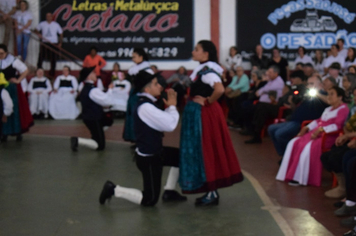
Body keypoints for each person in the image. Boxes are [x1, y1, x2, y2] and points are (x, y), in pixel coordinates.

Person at [99, 71, 186, 207]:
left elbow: (163, 120)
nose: (160, 86)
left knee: (182, 157)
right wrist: (172, 106)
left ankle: (169, 191)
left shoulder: (148, 103)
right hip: (149, 158)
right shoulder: (145, 107)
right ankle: (113, 189)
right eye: (156, 84)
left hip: (156, 152)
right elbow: (170, 125)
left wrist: (170, 107)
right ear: (147, 89)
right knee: (150, 200)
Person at [179, 40, 243, 206]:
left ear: (205, 54)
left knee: (205, 148)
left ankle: (212, 192)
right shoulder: (205, 70)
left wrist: (207, 102)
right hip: (202, 113)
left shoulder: (208, 71)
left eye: (196, 49)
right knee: (204, 149)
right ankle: (210, 190)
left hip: (204, 115)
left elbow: (219, 89)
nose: (193, 52)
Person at [276, 86, 349, 187]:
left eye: (332, 94)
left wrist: (321, 130)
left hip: (328, 136)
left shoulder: (343, 109)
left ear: (340, 97)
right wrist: (306, 128)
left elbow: (338, 125)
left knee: (307, 148)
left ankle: (302, 178)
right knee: (294, 142)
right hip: (317, 133)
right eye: (328, 94)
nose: (329, 97)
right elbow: (319, 120)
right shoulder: (328, 109)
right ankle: (289, 174)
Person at [268, 75, 328, 158]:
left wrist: (316, 93)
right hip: (294, 119)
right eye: (307, 84)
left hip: (303, 123)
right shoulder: (307, 96)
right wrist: (292, 103)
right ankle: (283, 154)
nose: (308, 86)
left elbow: (328, 101)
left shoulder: (323, 95)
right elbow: (296, 109)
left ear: (320, 85)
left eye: (311, 84)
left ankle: (290, 155)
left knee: (279, 134)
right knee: (271, 128)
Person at [244, 69, 300, 144]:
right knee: (255, 106)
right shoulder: (289, 87)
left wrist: (289, 103)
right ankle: (253, 131)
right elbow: (264, 89)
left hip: (283, 109)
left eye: (270, 72)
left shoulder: (281, 82)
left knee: (261, 107)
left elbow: (265, 89)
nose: (268, 74)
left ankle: (256, 133)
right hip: (277, 104)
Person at [321, 88, 356, 198]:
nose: (354, 98)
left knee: (348, 160)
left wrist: (350, 136)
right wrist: (346, 136)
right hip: (351, 138)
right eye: (354, 96)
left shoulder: (343, 108)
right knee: (327, 155)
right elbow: (346, 126)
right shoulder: (353, 108)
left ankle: (350, 195)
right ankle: (343, 187)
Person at [70, 67, 114, 151]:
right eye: (93, 73)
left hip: (89, 117)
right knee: (100, 145)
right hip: (94, 118)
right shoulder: (93, 90)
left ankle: (97, 133)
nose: (96, 74)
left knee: (107, 122)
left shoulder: (86, 89)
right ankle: (77, 140)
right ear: (88, 77)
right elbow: (107, 101)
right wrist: (110, 90)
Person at [0, 44, 32, 142]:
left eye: (2, 53)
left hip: (11, 87)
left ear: (6, 52)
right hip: (1, 87)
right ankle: (4, 132)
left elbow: (26, 70)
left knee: (14, 108)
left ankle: (17, 132)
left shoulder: (13, 60)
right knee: (2, 108)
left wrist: (18, 80)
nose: (0, 55)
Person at [123, 48, 153, 143]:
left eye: (134, 57)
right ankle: (133, 138)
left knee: (140, 116)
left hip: (141, 96)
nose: (132, 59)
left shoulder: (148, 70)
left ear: (141, 57)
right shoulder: (133, 69)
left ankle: (140, 138)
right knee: (132, 115)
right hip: (133, 94)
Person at [35, 12, 63, 77]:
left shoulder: (56, 24)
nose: (48, 17)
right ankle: (39, 69)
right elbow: (36, 29)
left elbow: (61, 33)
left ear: (52, 17)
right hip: (45, 42)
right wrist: (39, 34)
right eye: (47, 16)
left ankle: (52, 72)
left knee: (53, 58)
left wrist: (60, 42)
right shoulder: (42, 24)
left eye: (49, 16)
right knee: (41, 56)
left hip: (53, 43)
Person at [0, 73, 13, 142]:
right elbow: (9, 104)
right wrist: (5, 114)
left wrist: (5, 114)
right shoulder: (3, 92)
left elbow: (8, 105)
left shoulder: (3, 92)